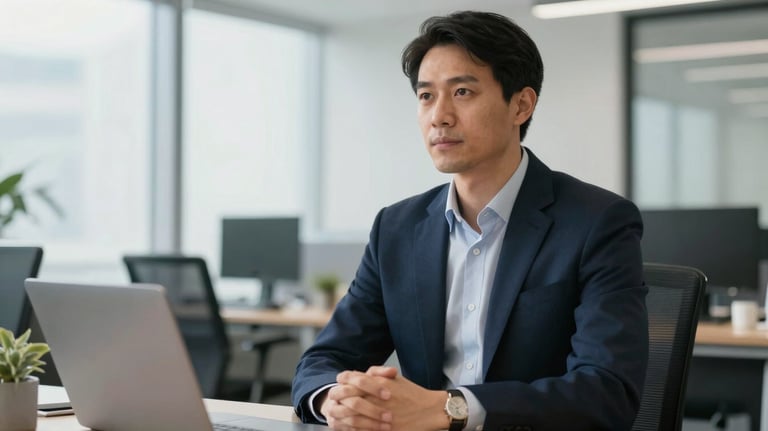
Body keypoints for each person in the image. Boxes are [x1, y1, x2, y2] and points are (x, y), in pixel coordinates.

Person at [292, 10, 648, 431]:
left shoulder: (597, 222)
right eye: (426, 96)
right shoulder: (397, 228)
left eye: (461, 92)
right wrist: (337, 399)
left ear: (521, 104)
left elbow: (605, 392)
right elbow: (322, 362)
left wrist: (450, 409)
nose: (438, 116)